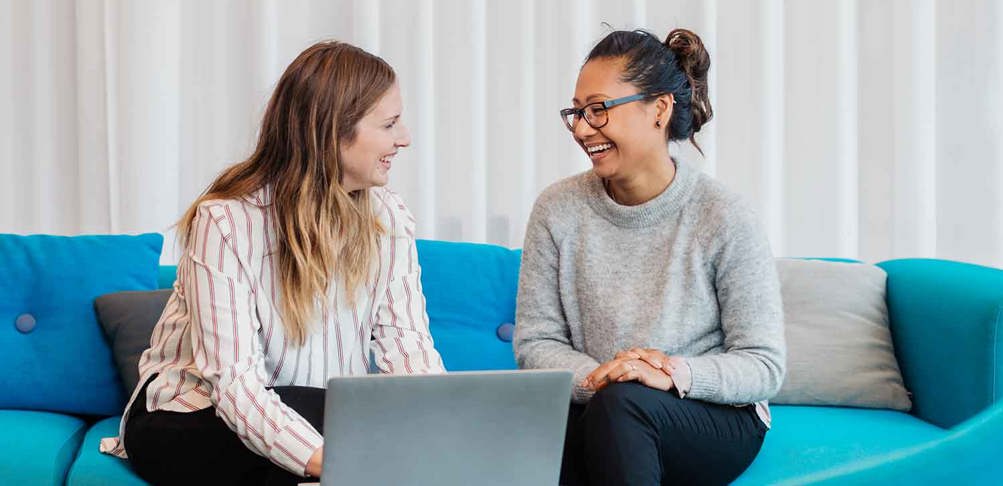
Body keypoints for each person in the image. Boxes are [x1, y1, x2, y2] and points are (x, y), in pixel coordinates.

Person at [99, 40, 445, 485]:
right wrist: (347, 464)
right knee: (319, 419)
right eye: (390, 124)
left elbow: (409, 349)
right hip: (191, 414)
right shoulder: (225, 223)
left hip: (313, 411)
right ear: (332, 132)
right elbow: (236, 386)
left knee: (351, 419)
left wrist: (440, 432)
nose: (405, 138)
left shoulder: (387, 218)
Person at [514, 28, 786, 485]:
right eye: (577, 112)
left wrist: (671, 373)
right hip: (600, 402)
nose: (582, 128)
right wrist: (608, 376)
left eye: (598, 109)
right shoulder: (557, 209)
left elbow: (763, 364)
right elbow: (536, 343)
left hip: (711, 415)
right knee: (535, 422)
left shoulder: (723, 214)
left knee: (622, 409)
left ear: (659, 109)